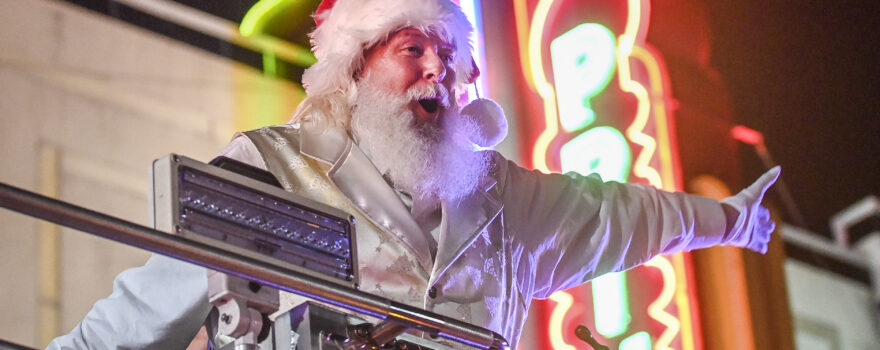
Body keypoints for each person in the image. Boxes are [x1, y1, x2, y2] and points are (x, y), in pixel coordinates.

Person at [49, 0, 780, 348]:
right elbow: (137, 320)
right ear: (356, 67)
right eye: (412, 47)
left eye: (450, 55)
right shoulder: (267, 168)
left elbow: (624, 215)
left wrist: (732, 219)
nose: (438, 67)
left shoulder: (506, 200)